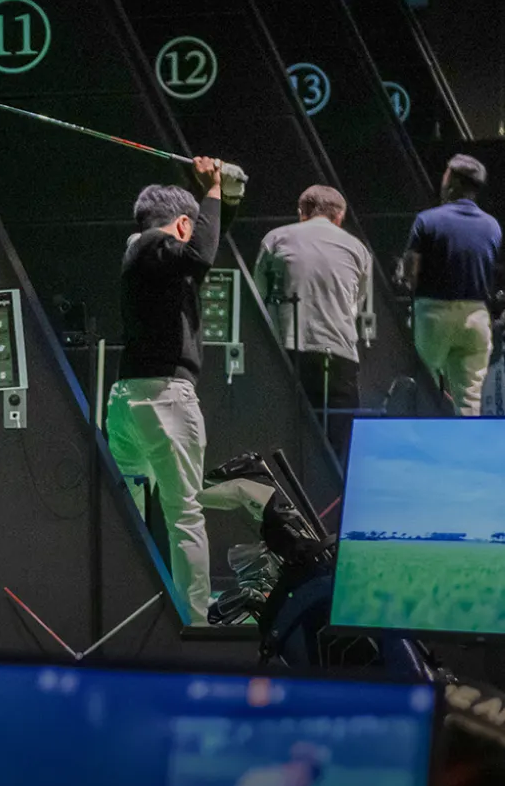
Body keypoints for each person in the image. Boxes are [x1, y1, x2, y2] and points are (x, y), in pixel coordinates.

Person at [106, 158, 244, 625]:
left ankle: (137, 610)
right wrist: (210, 191)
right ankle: (197, 620)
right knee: (185, 514)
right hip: (163, 399)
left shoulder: (149, 257)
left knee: (132, 515)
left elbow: (204, 250)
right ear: (181, 224)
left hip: (131, 400)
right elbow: (201, 254)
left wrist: (220, 196)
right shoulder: (153, 246)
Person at [254, 185, 372, 462]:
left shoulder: (275, 239)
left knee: (285, 442)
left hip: (287, 353)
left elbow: (259, 293)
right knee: (338, 449)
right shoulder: (358, 249)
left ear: (301, 212)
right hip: (339, 356)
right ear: (340, 217)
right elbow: (356, 302)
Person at [402, 154, 501, 416]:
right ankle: (465, 453)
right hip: (476, 316)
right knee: (469, 400)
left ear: (453, 182)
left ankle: (426, 450)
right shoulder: (493, 226)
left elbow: (410, 274)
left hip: (434, 313)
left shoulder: (427, 220)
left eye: (445, 175)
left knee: (426, 388)